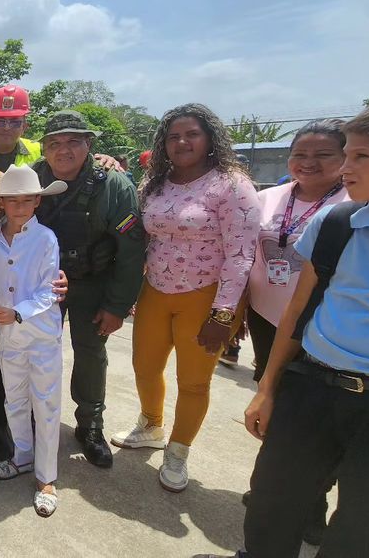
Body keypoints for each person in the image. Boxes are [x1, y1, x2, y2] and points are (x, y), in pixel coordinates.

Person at [210, 97, 369, 558]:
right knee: (271, 505)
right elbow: (298, 314)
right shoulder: (337, 222)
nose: (345, 167)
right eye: (348, 154)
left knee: (365, 527)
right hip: (313, 386)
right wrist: (268, 389)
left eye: (361, 156)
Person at [112, 103, 261, 493]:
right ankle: (151, 425)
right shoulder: (155, 183)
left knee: (193, 382)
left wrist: (224, 314)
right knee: (144, 367)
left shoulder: (231, 185)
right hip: (155, 290)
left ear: (210, 138)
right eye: (173, 136)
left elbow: (241, 255)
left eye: (192, 134)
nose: (181, 142)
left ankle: (178, 451)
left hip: (205, 296)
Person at [32, 110, 146, 469]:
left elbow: (131, 252)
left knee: (91, 354)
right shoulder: (31, 178)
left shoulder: (114, 185)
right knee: (37, 352)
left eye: (73, 141)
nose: (63, 150)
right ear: (44, 148)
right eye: (54, 143)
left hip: (92, 284)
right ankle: (34, 417)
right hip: (43, 286)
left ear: (89, 145)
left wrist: (117, 306)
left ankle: (91, 425)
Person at [0, 164, 67, 517]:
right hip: (8, 334)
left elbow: (49, 290)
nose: (20, 206)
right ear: (1, 202)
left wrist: (17, 312)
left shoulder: (45, 238)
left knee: (46, 404)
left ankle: (47, 478)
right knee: (14, 398)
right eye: (12, 200)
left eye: (27, 200)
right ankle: (23, 456)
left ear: (37, 202)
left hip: (41, 333)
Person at [246, 119, 349, 382]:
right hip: (262, 311)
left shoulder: (354, 202)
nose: (308, 162)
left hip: (318, 319)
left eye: (323, 155)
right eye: (300, 154)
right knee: (266, 382)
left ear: (345, 157)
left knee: (303, 391)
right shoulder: (265, 197)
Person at [0, 85, 42, 172]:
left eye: (15, 123)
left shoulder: (40, 151)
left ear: (24, 127)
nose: (6, 128)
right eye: (0, 122)